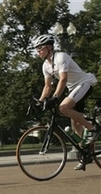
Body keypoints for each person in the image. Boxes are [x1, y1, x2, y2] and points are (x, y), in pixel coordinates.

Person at [34, 34, 99, 171]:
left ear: (49, 47)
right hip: (74, 88)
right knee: (75, 121)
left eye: (40, 48)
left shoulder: (61, 57)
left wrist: (56, 97)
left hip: (85, 83)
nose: (38, 51)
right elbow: (47, 87)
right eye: (37, 49)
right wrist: (40, 102)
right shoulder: (45, 65)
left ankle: (92, 129)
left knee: (63, 107)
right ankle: (84, 154)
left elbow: (63, 79)